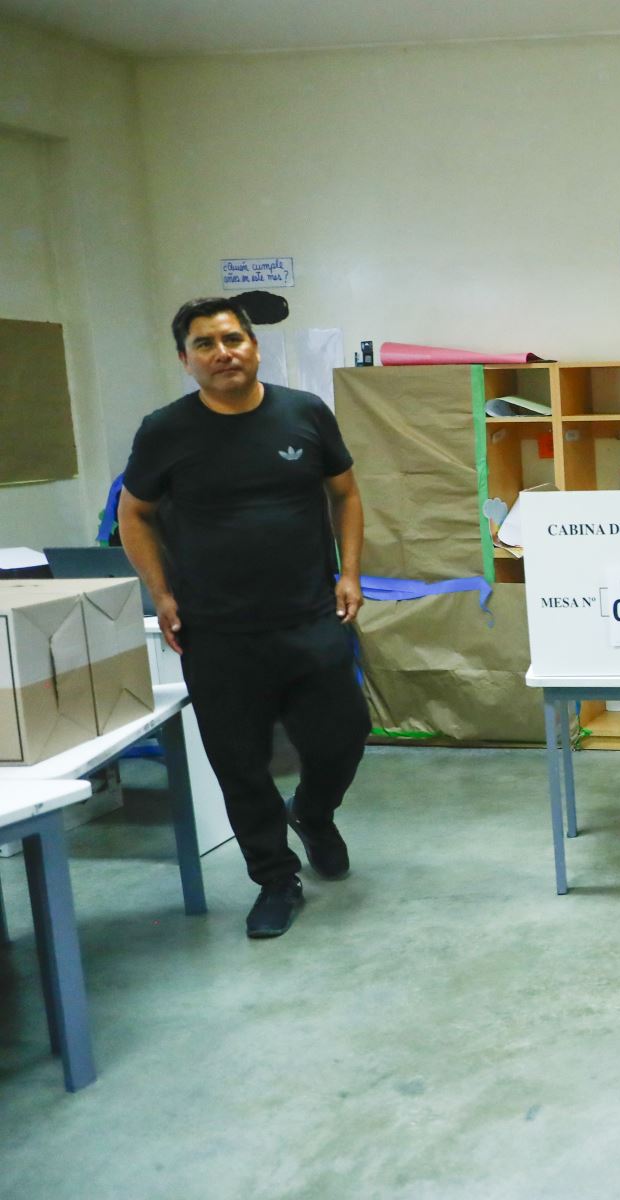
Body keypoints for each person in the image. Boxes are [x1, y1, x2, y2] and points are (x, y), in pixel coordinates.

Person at [119, 297, 370, 939]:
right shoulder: (164, 431)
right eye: (205, 344)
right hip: (217, 631)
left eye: (232, 338)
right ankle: (275, 879)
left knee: (343, 734)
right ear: (185, 360)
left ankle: (313, 813)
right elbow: (134, 513)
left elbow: (344, 492)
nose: (222, 352)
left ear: (254, 346)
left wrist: (348, 573)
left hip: (309, 616)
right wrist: (162, 593)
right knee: (239, 764)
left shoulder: (304, 413)